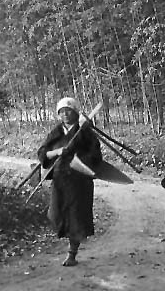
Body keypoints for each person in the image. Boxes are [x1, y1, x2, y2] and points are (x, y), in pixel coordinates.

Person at [37, 97, 102, 266]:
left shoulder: (85, 132)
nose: (65, 114)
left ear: (75, 112)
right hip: (60, 180)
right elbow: (43, 153)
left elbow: (96, 156)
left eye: (69, 110)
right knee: (56, 214)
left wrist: (77, 159)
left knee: (76, 217)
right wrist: (57, 152)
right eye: (62, 111)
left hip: (79, 182)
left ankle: (72, 253)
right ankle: (70, 243)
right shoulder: (57, 131)